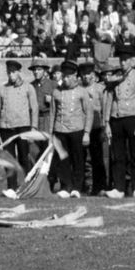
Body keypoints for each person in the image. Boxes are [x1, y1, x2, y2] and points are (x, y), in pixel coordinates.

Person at [103, 46, 135, 199]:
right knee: (118, 155)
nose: (122, 63)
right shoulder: (115, 77)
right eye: (121, 60)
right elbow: (109, 99)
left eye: (125, 60)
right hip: (116, 118)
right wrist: (107, 122)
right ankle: (119, 188)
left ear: (132, 61)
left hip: (132, 118)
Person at [0, 60, 37, 197]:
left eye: (13, 72)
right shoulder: (2, 89)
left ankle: (27, 185)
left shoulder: (28, 88)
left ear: (19, 73)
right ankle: (11, 187)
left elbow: (34, 108)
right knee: (8, 159)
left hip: (23, 127)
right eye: (8, 72)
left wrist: (33, 128)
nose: (10, 75)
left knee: (24, 157)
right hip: (6, 128)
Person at [50, 60, 92, 198]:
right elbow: (52, 113)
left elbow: (89, 113)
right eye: (64, 76)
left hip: (77, 130)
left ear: (75, 76)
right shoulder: (56, 92)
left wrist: (86, 133)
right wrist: (51, 133)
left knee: (78, 159)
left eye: (68, 76)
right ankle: (65, 186)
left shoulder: (82, 92)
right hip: (60, 130)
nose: (65, 79)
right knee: (63, 160)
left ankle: (76, 187)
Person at [81, 62, 107, 195]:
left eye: (88, 74)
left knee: (98, 157)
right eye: (84, 75)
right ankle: (87, 185)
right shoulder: (80, 89)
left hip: (97, 126)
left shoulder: (100, 89)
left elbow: (104, 109)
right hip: (83, 125)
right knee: (84, 158)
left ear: (93, 75)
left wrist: (103, 127)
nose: (86, 77)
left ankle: (100, 185)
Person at [28, 59, 55, 159]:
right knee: (33, 149)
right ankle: (35, 173)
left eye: (39, 69)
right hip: (34, 119)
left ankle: (48, 173)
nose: (36, 72)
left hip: (47, 118)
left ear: (45, 71)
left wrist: (51, 100)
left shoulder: (53, 84)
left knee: (47, 148)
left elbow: (61, 101)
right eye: (34, 70)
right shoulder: (30, 86)